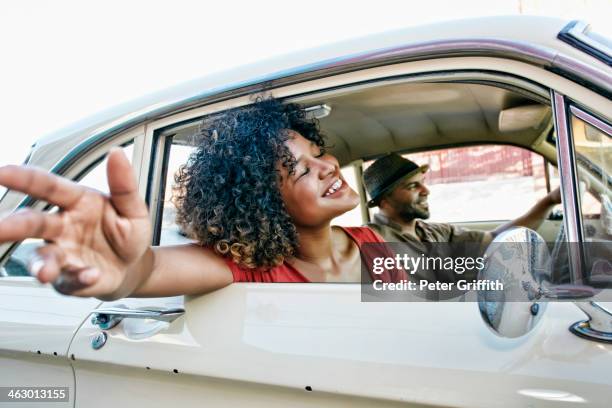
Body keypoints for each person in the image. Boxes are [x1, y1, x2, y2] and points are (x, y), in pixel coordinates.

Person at [0, 98, 404, 300]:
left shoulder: (370, 242)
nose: (328, 167)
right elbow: (148, 270)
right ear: (264, 203)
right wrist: (122, 263)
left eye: (317, 154)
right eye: (299, 171)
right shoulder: (251, 268)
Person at [363, 153, 562, 248]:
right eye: (413, 186)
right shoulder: (370, 241)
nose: (426, 191)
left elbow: (494, 239)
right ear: (384, 200)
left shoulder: (436, 232)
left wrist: (550, 201)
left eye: (422, 182)